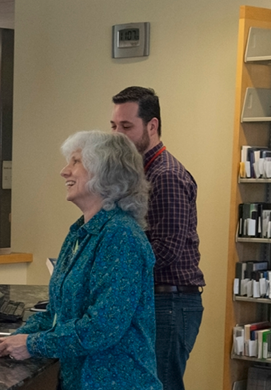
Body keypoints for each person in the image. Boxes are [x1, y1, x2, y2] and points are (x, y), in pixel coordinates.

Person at [0, 131, 160, 389]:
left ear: (104, 172)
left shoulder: (121, 236)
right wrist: (9, 341)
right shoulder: (80, 233)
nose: (65, 171)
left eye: (75, 162)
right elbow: (56, 315)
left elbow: (103, 327)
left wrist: (32, 344)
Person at [110, 86, 204, 390]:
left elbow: (165, 250)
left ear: (152, 126)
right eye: (113, 126)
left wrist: (113, 264)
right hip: (156, 299)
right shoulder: (138, 173)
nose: (117, 135)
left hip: (170, 301)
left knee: (161, 384)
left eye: (126, 127)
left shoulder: (166, 176)